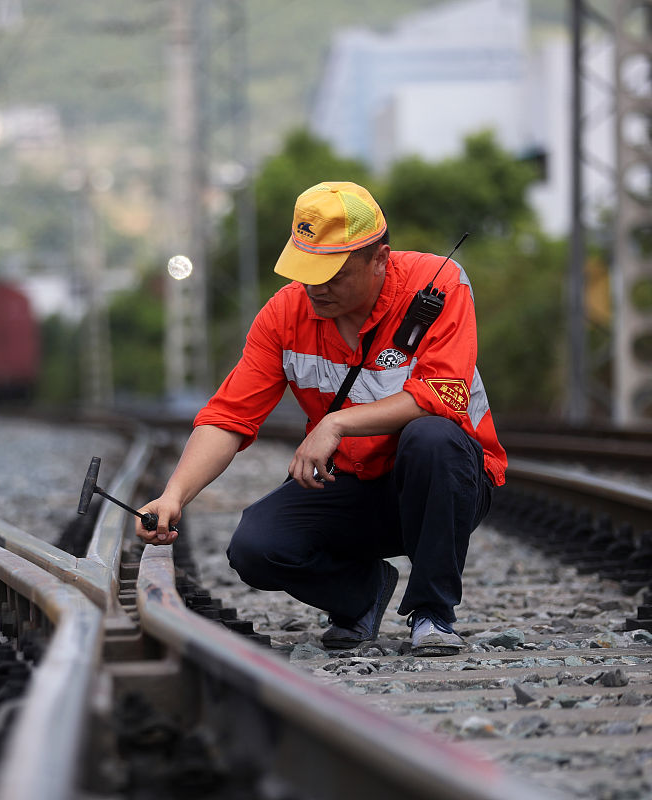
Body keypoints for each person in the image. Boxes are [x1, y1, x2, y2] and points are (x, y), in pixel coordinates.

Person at [136, 181, 507, 656]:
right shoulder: (285, 314)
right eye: (306, 271)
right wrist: (174, 495)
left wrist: (336, 424)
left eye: (333, 274)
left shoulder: (438, 285)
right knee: (256, 546)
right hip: (355, 484)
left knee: (431, 437)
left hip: (448, 484)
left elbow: (442, 396)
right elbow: (229, 416)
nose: (316, 287)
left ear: (380, 259)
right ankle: (363, 594)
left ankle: (432, 614)